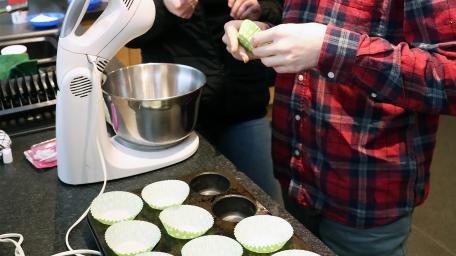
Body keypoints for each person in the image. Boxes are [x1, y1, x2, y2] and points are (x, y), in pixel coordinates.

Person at [223, 1, 456, 255]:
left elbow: (449, 78)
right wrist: (263, 34)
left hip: (365, 190)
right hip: (296, 172)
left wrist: (329, 48)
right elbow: (304, 34)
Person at [127, 0, 284, 201]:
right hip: (178, 117)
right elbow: (127, 32)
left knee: (269, 206)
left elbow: (285, 11)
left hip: (245, 104)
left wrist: (260, 8)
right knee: (184, 208)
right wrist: (163, 9)